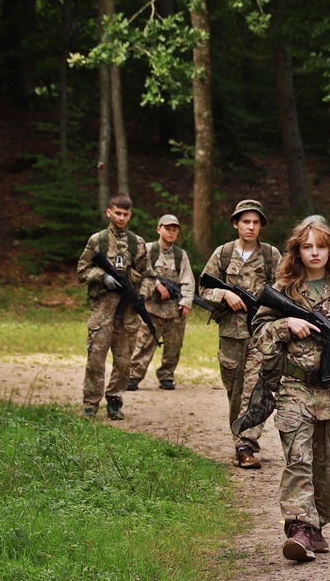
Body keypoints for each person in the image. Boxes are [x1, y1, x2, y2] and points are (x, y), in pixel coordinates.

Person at [247, 219, 330, 562]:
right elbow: (259, 333)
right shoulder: (284, 289)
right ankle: (299, 527)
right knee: (298, 459)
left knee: (326, 466)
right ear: (297, 251)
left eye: (321, 246)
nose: (314, 252)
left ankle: (316, 526)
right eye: (307, 246)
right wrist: (286, 324)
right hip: (294, 389)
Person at [199, 200, 281, 469]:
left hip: (261, 334)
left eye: (256, 222)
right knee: (234, 390)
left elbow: (285, 290)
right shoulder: (223, 254)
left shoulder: (270, 255)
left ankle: (246, 444)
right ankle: (239, 441)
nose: (251, 227)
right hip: (231, 334)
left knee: (255, 388)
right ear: (236, 224)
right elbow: (203, 288)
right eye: (246, 221)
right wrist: (225, 295)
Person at [76, 192, 155, 421]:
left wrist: (142, 295)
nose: (121, 217)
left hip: (128, 311)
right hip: (103, 310)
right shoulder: (98, 240)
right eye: (117, 213)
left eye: (125, 214)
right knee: (96, 359)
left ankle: (114, 400)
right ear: (109, 212)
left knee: (124, 361)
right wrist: (102, 276)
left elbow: (149, 276)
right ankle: (90, 404)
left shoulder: (137, 243)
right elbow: (82, 271)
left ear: (130, 215)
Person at [128, 214, 195, 391]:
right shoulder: (148, 249)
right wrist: (157, 285)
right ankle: (133, 376)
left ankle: (167, 376)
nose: (171, 232)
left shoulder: (181, 255)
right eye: (167, 229)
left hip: (174, 310)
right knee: (144, 344)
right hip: (151, 308)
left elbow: (188, 280)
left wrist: (186, 301)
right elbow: (137, 271)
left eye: (174, 230)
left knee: (174, 346)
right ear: (159, 229)